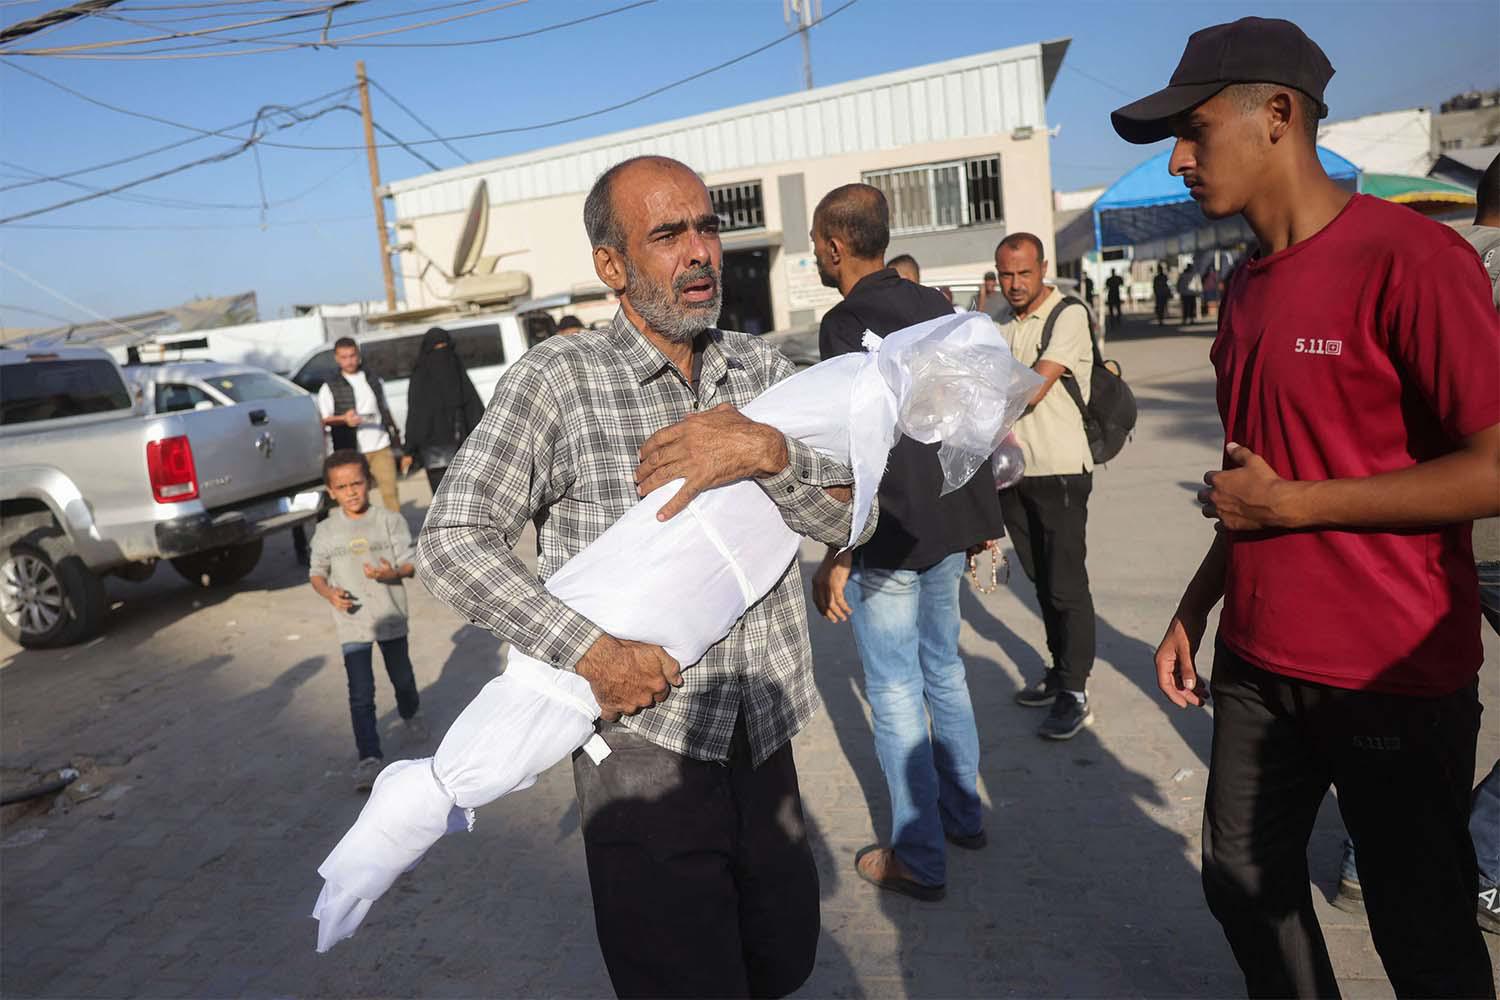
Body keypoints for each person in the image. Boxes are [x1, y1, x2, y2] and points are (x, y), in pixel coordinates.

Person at [415, 155, 871, 999]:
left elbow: (849, 519)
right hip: (644, 751)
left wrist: (765, 452)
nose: (699, 252)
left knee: (781, 958)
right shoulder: (560, 382)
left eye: (707, 227)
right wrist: (591, 651)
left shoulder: (760, 372)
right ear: (612, 265)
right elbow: (451, 540)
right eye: (668, 234)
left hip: (763, 735)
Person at [1115, 16, 1500, 997]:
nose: (1179, 157)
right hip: (1258, 660)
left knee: (1424, 934)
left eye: (1196, 130)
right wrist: (1198, 603)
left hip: (1391, 670)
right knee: (1242, 881)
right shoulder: (1242, 290)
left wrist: (1296, 503)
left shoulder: (1410, 260)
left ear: (1278, 115)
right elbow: (1257, 484)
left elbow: (1495, 465)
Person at [809, 184, 1005, 902]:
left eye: (816, 243)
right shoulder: (938, 309)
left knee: (894, 692)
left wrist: (838, 552)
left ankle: (919, 856)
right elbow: (973, 421)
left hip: (891, 536)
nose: (817, 255)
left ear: (834, 245)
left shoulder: (845, 322)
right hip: (949, 524)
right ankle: (963, 818)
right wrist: (985, 520)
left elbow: (852, 451)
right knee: (944, 672)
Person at [1336, 151, 1500, 935]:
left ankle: (1376, 858)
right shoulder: (1432, 266)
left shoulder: (1437, 258)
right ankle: (1482, 857)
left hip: (1427, 534)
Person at [989, 233, 1098, 740]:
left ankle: (1076, 691)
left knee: (1065, 583)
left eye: (1024, 274)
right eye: (1006, 275)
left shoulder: (1067, 314)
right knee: (1039, 580)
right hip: (1015, 474)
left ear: (1043, 268)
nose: (1014, 284)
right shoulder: (1001, 323)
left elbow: (1034, 387)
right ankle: (1058, 672)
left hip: (1060, 470)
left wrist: (981, 392)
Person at [308, 450, 427, 793]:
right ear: (331, 491)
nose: (351, 492)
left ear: (369, 482)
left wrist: (392, 572)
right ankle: (369, 757)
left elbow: (409, 563)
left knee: (401, 677)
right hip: (353, 623)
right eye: (342, 487)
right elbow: (316, 573)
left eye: (357, 483)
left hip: (390, 616)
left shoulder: (389, 521)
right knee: (361, 693)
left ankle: (411, 712)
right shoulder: (326, 530)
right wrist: (329, 594)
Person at [315, 337, 403, 513]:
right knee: (358, 497)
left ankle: (396, 534)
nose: (349, 361)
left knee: (390, 491)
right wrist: (344, 419)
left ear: (358, 355)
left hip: (380, 444)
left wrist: (395, 436)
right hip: (352, 449)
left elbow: (384, 408)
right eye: (344, 357)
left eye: (352, 355)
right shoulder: (330, 386)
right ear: (337, 358)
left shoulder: (373, 379)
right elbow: (324, 419)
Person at [400, 327, 485, 494]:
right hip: (441, 452)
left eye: (444, 348)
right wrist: (409, 450)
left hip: (460, 448)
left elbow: (474, 409)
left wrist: (409, 449)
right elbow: (416, 415)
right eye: (436, 349)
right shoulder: (425, 376)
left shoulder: (454, 371)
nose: (441, 356)